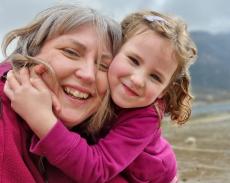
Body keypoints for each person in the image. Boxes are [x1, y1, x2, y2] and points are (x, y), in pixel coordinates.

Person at [5, 10, 197, 183]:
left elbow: (97, 170)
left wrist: (40, 117)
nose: (138, 80)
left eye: (155, 77)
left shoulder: (145, 116)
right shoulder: (100, 90)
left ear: (163, 91)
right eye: (133, 60)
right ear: (116, 53)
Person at [0, 4, 125, 183]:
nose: (88, 74)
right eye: (71, 52)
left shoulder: (103, 140)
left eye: (104, 66)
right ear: (31, 51)